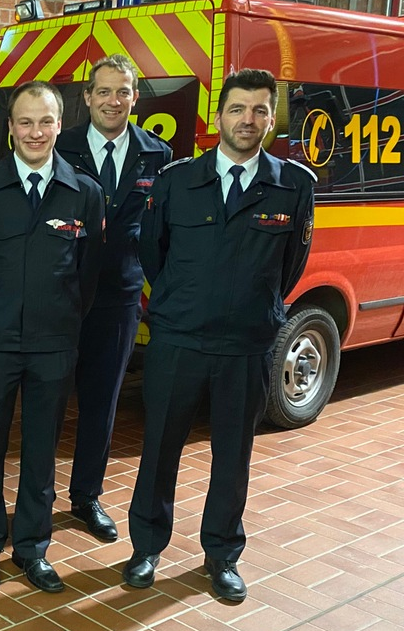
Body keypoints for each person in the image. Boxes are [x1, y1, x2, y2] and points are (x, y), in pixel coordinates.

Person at [126, 68, 314, 602]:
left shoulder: (294, 185)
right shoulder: (176, 181)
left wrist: (250, 306)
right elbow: (153, 253)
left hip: (246, 346)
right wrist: (184, 302)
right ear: (218, 116)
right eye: (238, 109)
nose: (248, 120)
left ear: (272, 119)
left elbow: (290, 267)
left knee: (233, 457)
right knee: (160, 448)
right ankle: (146, 548)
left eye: (259, 110)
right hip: (178, 340)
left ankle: (222, 554)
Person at [0, 81, 104, 595]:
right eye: (25, 122)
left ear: (60, 124)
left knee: (42, 450)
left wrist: (64, 323)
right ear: (10, 127)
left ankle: (32, 548)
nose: (35, 132)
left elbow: (88, 276)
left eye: (45, 121)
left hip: (53, 344)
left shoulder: (84, 192)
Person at [54, 55, 172, 543]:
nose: (112, 100)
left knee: (102, 402)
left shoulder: (158, 155)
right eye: (103, 91)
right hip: (59, 293)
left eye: (122, 91)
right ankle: (37, 494)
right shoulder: (60, 146)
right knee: (49, 399)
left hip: (119, 296)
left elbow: (163, 231)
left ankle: (86, 496)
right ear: (86, 98)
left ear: (134, 97)